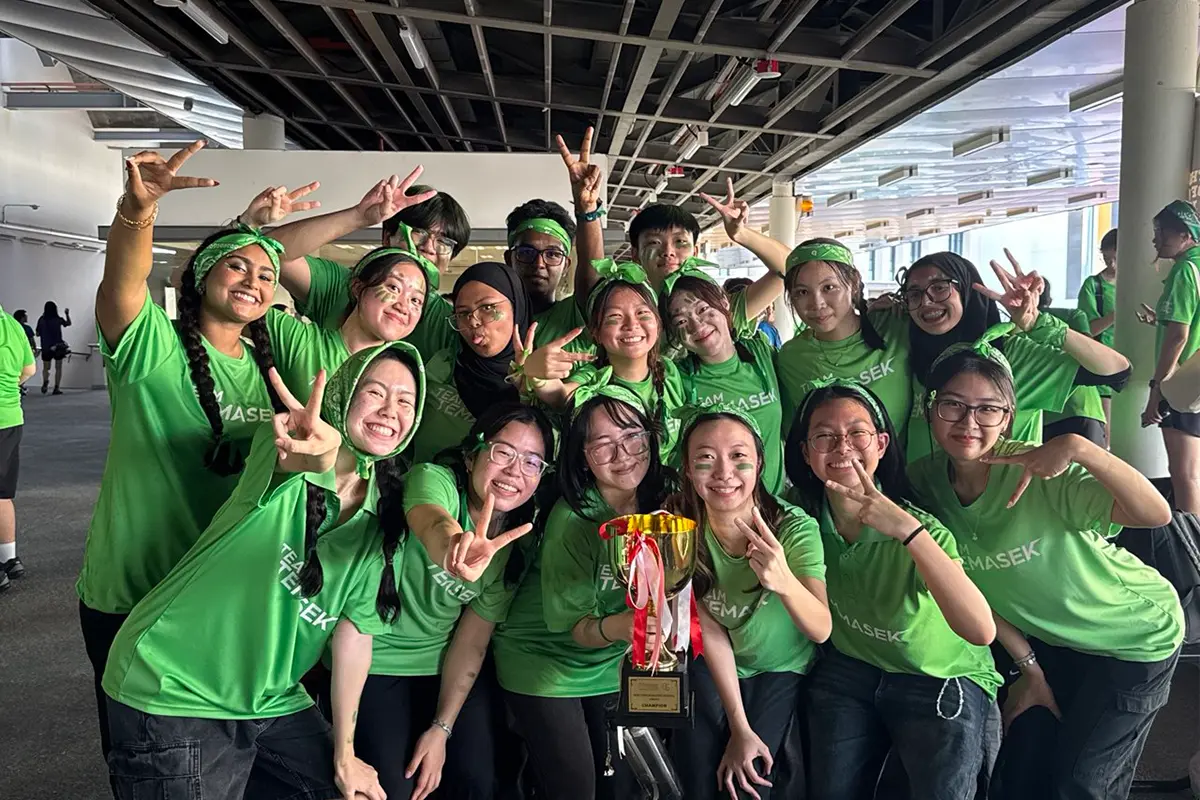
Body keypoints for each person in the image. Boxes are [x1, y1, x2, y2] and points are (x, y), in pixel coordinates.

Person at [103, 342, 425, 799]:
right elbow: (296, 458)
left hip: (270, 695)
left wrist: (345, 754)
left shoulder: (383, 510)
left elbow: (354, 634)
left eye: (405, 401)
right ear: (342, 397)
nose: (390, 410)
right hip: (175, 683)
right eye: (373, 393)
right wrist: (317, 457)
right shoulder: (279, 453)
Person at [79, 141, 287, 768]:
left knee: (206, 752)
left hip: (211, 593)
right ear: (201, 276)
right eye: (237, 268)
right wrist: (138, 212)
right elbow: (124, 281)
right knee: (140, 755)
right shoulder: (153, 348)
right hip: (131, 587)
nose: (253, 282)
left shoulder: (266, 368)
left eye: (266, 276)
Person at [909, 339, 1181, 800]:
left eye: (987, 409)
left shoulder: (1037, 470)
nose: (969, 422)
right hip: (1051, 644)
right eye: (952, 405)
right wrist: (1028, 666)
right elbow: (964, 590)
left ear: (1008, 416)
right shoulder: (924, 482)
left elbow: (1155, 514)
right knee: (1025, 771)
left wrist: (1079, 448)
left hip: (1133, 637)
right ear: (929, 408)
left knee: (1082, 782)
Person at [785, 379, 1001, 799]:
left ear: (881, 444)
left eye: (857, 433)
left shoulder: (923, 528)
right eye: (824, 436)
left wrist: (909, 532)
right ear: (806, 453)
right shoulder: (798, 521)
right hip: (853, 667)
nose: (842, 447)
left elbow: (980, 630)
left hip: (939, 675)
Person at [355, 402, 555, 800]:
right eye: (503, 452)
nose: (516, 470)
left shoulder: (517, 544)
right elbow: (430, 518)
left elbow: (472, 640)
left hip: (443, 663)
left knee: (477, 780)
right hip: (378, 657)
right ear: (471, 455)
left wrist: (442, 728)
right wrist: (455, 546)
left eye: (532, 462)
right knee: (395, 788)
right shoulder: (435, 480)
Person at [491, 381, 673, 800]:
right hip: (545, 660)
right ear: (584, 458)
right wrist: (627, 628)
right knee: (576, 789)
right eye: (603, 444)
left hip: (614, 662)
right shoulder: (571, 520)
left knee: (624, 787)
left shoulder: (662, 502)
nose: (622, 454)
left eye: (632, 437)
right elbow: (575, 627)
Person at [669, 405, 830, 800]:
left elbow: (821, 628)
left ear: (759, 463)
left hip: (780, 666)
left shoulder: (793, 528)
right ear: (689, 470)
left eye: (739, 457)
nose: (724, 473)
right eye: (705, 459)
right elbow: (709, 628)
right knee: (698, 766)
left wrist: (784, 582)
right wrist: (739, 724)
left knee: (752, 777)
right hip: (717, 661)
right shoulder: (681, 524)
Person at [900, 250, 1130, 461]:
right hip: (921, 498)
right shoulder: (909, 352)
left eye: (939, 287)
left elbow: (1116, 370)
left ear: (968, 289)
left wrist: (1040, 324)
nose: (926, 301)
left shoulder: (1009, 356)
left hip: (1005, 498)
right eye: (914, 293)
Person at [236, 179, 444, 403]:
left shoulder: (407, 380)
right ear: (357, 287)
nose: (404, 305)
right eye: (393, 287)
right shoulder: (297, 340)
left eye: (416, 300)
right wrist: (247, 223)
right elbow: (219, 291)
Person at [255, 172, 469, 360]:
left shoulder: (446, 320)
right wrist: (357, 217)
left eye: (445, 242)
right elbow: (268, 252)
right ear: (387, 238)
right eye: (419, 232)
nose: (429, 247)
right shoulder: (340, 284)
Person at [522, 261, 685, 462]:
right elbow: (561, 395)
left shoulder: (668, 371)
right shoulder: (594, 377)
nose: (631, 325)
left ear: (658, 324)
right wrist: (537, 375)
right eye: (614, 317)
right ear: (596, 333)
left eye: (642, 313)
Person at [777, 238, 912, 441]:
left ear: (854, 285)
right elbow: (797, 431)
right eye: (802, 292)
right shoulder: (791, 357)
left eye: (829, 287)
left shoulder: (894, 326)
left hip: (902, 470)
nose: (817, 303)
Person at [1143, 200, 1200, 513]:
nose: (1155, 240)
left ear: (1185, 234)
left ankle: (1192, 555)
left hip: (1184, 382)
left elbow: (1179, 336)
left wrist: (1157, 391)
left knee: (1184, 474)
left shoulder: (1184, 271)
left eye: (1161, 232)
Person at [1038, 280, 1108, 447]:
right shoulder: (1073, 315)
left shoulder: (1011, 327)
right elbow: (1090, 352)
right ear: (1049, 298)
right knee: (1091, 471)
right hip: (1082, 407)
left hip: (1041, 416)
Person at [0, 304, 36, 593]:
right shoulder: (11, 325)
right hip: (11, 418)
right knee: (2, 494)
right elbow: (29, 369)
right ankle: (9, 559)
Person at [1078, 228, 1118, 432]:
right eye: (1107, 258)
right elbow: (1087, 331)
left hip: (1135, 366)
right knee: (1107, 438)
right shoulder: (1093, 286)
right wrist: (1116, 315)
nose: (1111, 264)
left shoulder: (1144, 284)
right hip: (1104, 370)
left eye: (1115, 258)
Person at [36, 300, 71, 395]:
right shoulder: (58, 319)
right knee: (58, 367)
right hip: (58, 347)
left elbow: (37, 333)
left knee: (46, 368)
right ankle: (56, 387)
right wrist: (67, 314)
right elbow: (68, 323)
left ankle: (45, 381)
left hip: (46, 347)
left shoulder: (41, 320)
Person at [12, 309, 35, 397]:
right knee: (26, 369)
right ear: (22, 318)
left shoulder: (12, 327)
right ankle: (20, 385)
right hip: (25, 351)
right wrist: (34, 349)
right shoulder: (27, 328)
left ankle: (17, 385)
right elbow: (32, 340)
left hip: (15, 350)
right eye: (25, 316)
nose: (27, 317)